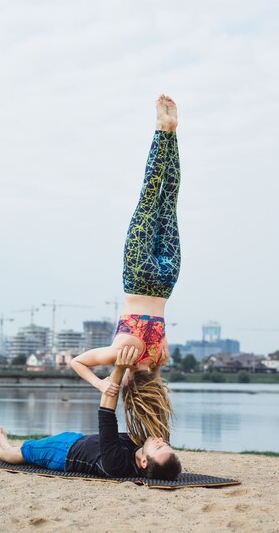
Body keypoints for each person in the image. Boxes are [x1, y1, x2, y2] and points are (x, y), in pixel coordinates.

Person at [71, 94, 181, 445]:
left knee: (168, 199)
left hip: (165, 282)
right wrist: (104, 384)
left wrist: (124, 378)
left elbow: (153, 375)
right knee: (150, 197)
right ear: (130, 386)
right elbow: (76, 362)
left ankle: (170, 132)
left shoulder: (159, 356)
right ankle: (162, 130)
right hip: (140, 276)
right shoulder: (122, 356)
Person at [0, 347, 182, 481]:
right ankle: (6, 445)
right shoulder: (144, 447)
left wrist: (119, 368)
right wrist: (156, 367)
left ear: (144, 462)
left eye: (159, 447)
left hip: (64, 452)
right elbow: (157, 406)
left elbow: (106, 414)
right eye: (166, 444)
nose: (161, 440)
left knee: (27, 452)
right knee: (28, 448)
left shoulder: (117, 465)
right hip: (77, 441)